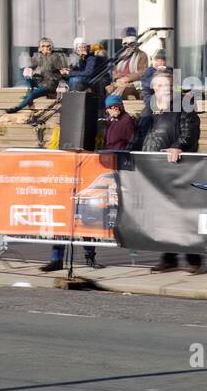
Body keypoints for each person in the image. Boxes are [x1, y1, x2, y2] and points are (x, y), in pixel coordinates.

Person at [40, 96, 136, 273]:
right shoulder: (60, 129)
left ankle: (89, 257)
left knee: (86, 217)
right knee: (62, 219)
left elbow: (104, 145)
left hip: (86, 173)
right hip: (65, 174)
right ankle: (57, 258)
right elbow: (54, 148)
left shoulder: (105, 125)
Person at [140, 73, 203, 273]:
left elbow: (190, 131)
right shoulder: (149, 110)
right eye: (158, 85)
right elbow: (140, 134)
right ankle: (169, 257)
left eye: (166, 85)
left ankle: (193, 257)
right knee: (162, 215)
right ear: (153, 89)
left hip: (179, 167)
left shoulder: (184, 105)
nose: (163, 88)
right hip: (154, 168)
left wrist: (178, 146)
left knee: (183, 214)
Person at [4, 38, 67, 114]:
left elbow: (62, 69)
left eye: (48, 46)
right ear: (40, 48)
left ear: (51, 47)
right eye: (43, 46)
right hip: (41, 81)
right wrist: (28, 70)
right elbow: (31, 66)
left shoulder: (55, 57)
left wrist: (62, 72)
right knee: (27, 77)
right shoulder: (38, 56)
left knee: (33, 94)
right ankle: (29, 98)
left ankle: (18, 107)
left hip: (50, 83)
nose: (45, 48)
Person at [106, 27, 149, 100]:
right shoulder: (121, 56)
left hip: (133, 83)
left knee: (121, 90)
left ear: (135, 43)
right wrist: (117, 78)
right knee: (108, 89)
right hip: (120, 81)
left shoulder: (141, 55)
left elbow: (142, 72)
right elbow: (114, 71)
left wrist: (128, 78)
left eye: (131, 43)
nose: (128, 46)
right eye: (125, 44)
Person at [138, 49, 172, 116]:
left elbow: (177, 88)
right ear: (156, 61)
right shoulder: (149, 73)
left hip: (171, 102)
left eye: (164, 60)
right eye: (161, 60)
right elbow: (147, 92)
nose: (163, 62)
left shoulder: (171, 71)